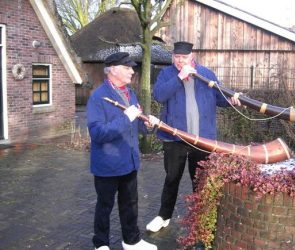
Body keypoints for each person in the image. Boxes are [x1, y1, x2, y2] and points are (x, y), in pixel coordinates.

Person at [146, 41, 241, 233]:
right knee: (172, 178)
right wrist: (179, 77)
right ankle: (164, 217)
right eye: (177, 57)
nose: (180, 61)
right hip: (175, 138)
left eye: (184, 58)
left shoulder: (206, 74)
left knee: (200, 181)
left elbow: (219, 98)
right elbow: (159, 96)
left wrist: (231, 100)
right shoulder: (167, 74)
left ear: (192, 57)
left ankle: (200, 220)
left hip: (202, 140)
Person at [87, 52, 159, 250]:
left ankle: (131, 241)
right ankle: (101, 244)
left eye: (131, 67)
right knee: (105, 206)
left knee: (130, 204)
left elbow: (136, 124)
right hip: (107, 164)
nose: (132, 71)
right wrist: (125, 118)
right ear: (114, 70)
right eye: (127, 68)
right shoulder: (98, 97)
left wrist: (148, 125)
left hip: (129, 160)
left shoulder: (130, 93)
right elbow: (97, 133)